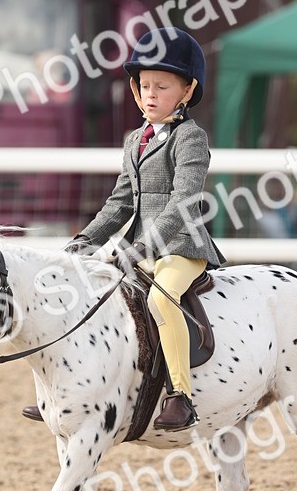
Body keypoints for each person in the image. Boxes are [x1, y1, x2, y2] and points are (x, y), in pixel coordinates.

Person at [25, 28, 224, 431]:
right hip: (137, 246)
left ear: (186, 91)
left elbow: (183, 203)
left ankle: (181, 396)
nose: (150, 94)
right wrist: (81, 245)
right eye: (145, 85)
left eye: (162, 86)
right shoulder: (135, 139)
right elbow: (119, 204)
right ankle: (67, 392)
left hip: (180, 247)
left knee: (162, 301)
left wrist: (143, 248)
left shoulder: (190, 138)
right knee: (84, 294)